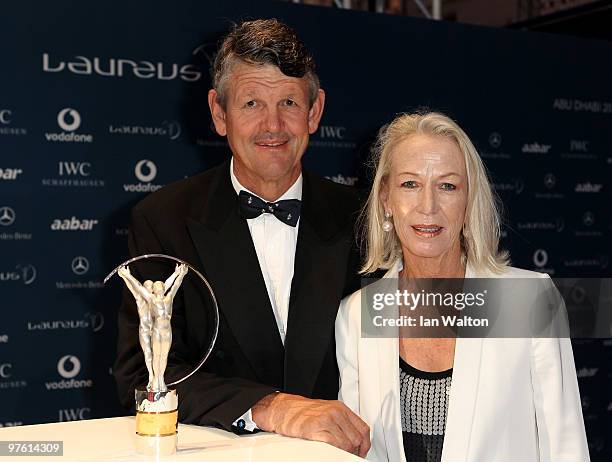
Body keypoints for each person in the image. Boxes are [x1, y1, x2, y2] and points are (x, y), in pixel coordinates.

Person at [114, 19, 370, 456]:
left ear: (314, 112)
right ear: (219, 113)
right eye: (252, 102)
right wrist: (269, 407)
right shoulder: (162, 220)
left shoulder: (365, 218)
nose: (273, 125)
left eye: (289, 102)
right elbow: (143, 374)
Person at [335, 112, 590, 461]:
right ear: (385, 200)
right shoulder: (356, 314)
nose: (428, 206)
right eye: (410, 184)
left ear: (469, 201)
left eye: (447, 186)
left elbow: (566, 449)